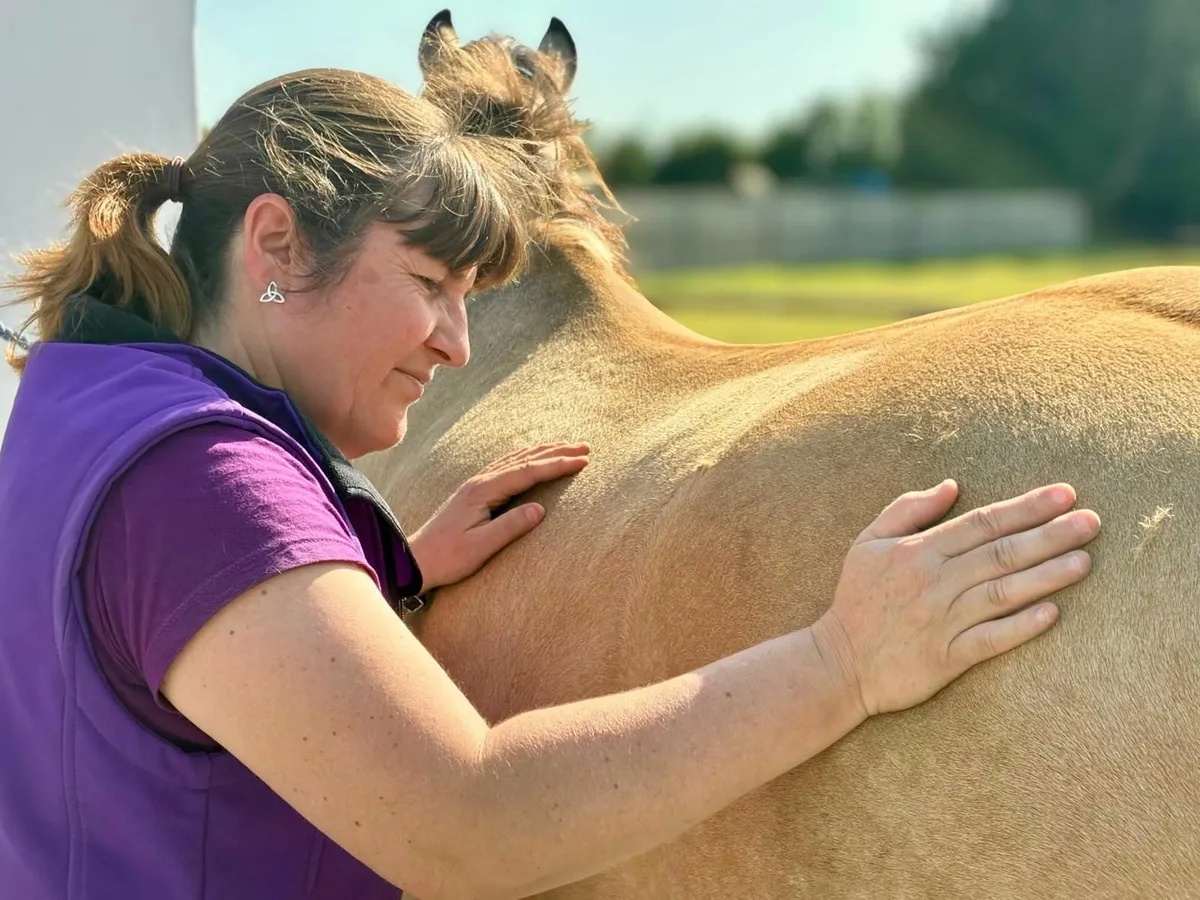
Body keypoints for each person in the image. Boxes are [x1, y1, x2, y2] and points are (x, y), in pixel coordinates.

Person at [0, 68, 1101, 900]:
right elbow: (469, 824)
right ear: (277, 245)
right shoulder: (206, 482)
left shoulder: (88, 399)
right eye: (431, 283)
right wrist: (842, 662)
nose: (458, 344)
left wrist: (351, 578)